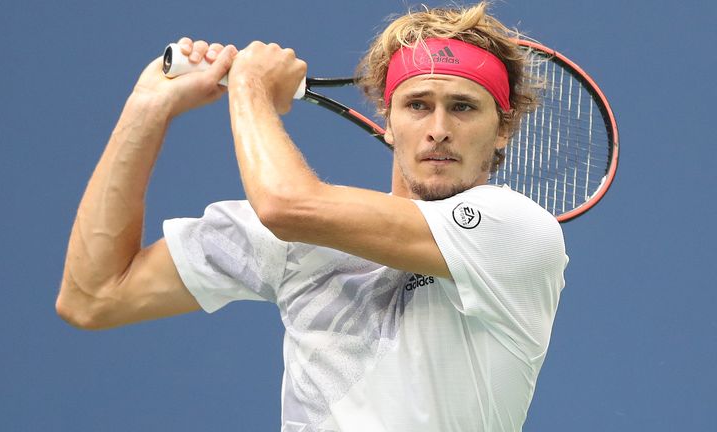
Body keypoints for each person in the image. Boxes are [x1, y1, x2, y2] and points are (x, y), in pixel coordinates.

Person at [57, 2, 568, 431]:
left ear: (503, 128)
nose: (438, 128)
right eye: (417, 105)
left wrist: (250, 89)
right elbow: (94, 297)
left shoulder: (516, 230)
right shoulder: (299, 243)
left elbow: (286, 206)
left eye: (462, 107)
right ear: (387, 122)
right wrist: (147, 108)